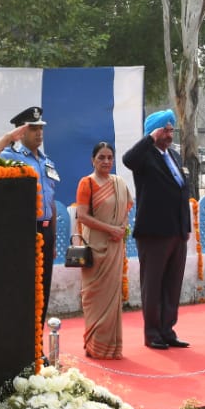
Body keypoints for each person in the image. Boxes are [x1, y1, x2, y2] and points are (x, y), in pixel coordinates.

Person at [122, 109, 193, 352]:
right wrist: (149, 138)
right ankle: (152, 333)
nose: (170, 133)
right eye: (166, 129)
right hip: (154, 232)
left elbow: (182, 190)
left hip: (177, 230)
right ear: (155, 131)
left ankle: (167, 330)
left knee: (172, 284)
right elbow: (128, 159)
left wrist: (186, 226)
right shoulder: (145, 156)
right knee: (153, 285)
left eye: (172, 129)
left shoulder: (173, 156)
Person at [0, 106, 59, 327]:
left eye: (41, 128)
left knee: (42, 289)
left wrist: (52, 237)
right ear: (21, 132)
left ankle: (37, 342)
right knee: (23, 288)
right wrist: (8, 139)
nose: (39, 132)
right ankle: (21, 342)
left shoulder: (47, 161)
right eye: (33, 128)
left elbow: (51, 201)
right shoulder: (10, 156)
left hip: (45, 231)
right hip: (23, 232)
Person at [75, 142, 132, 359]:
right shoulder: (86, 183)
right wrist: (110, 229)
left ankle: (111, 348)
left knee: (112, 298)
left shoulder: (119, 183)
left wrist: (121, 228)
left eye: (110, 157)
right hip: (95, 249)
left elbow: (127, 206)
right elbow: (82, 216)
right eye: (101, 157)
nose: (106, 161)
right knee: (93, 298)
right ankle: (95, 346)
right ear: (93, 160)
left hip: (115, 247)